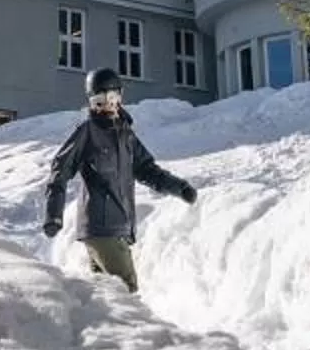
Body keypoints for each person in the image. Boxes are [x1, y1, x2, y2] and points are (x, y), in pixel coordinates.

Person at [43, 67, 198, 293]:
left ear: (120, 97)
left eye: (112, 98)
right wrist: (53, 215)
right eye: (99, 101)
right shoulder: (87, 132)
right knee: (128, 291)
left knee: (109, 299)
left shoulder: (126, 134)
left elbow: (147, 169)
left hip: (118, 229)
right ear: (90, 102)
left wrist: (180, 188)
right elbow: (60, 170)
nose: (107, 106)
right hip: (101, 228)